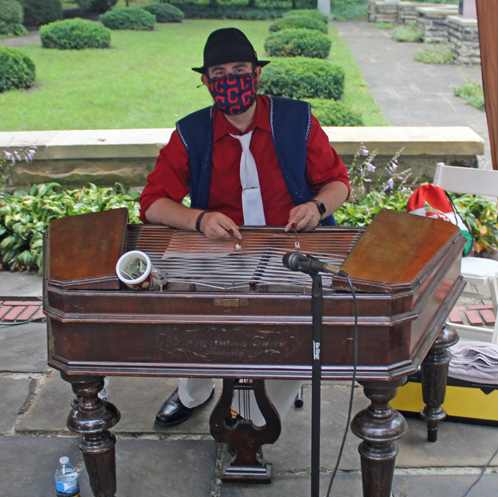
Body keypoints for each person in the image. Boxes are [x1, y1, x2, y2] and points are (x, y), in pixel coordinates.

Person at [139, 27, 350, 428]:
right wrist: (199, 220)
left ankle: (258, 415)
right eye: (219, 73)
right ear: (206, 82)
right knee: (198, 313)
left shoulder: (297, 120)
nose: (231, 79)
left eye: (240, 69)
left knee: (302, 321)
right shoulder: (191, 133)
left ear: (256, 73)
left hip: (292, 244)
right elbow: (152, 203)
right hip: (223, 247)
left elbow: (338, 181)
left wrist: (317, 206)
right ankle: (193, 392)